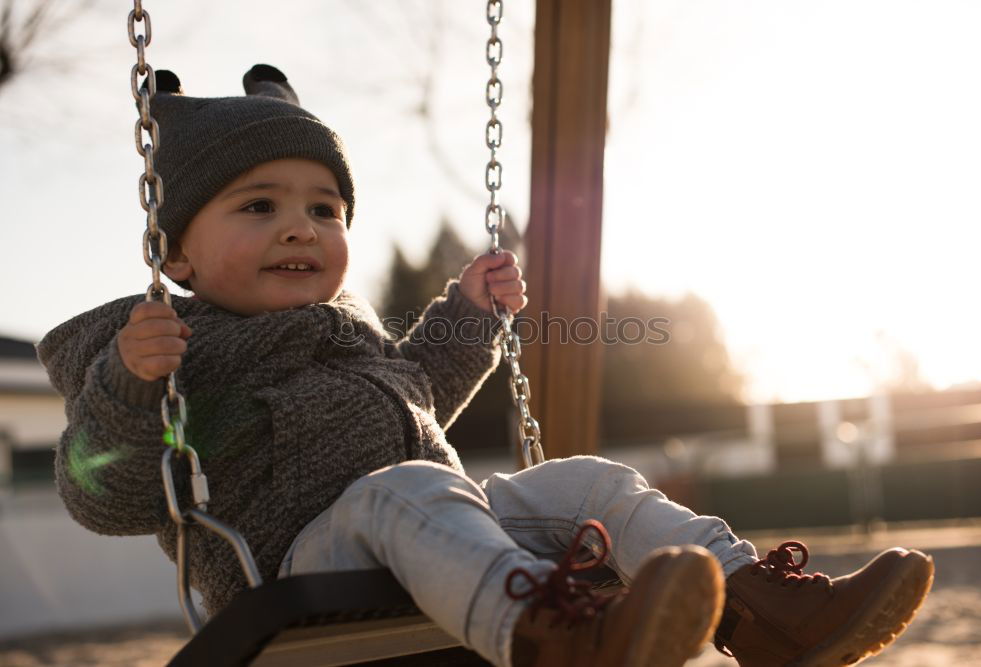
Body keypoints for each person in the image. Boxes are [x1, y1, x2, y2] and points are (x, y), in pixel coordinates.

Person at [36, 65, 933, 667]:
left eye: (325, 207)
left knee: (588, 479)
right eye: (258, 205)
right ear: (176, 253)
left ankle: (770, 618)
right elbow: (100, 494)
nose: (301, 226)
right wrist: (127, 384)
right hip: (294, 569)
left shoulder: (346, 337)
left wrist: (469, 314)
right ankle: (561, 641)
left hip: (437, 532)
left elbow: (419, 390)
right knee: (401, 490)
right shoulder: (171, 350)